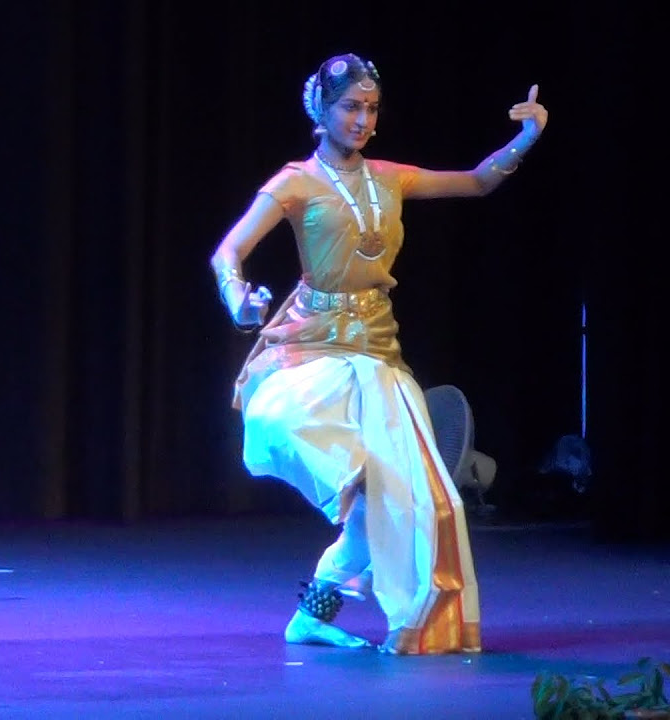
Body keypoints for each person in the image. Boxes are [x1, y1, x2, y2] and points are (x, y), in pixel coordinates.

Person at [209, 53, 548, 654]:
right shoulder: (295, 182)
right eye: (350, 107)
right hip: (312, 346)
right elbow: (227, 253)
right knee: (291, 430)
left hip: (378, 350)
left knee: (414, 504)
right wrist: (239, 299)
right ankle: (328, 576)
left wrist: (526, 136)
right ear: (321, 109)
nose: (363, 120)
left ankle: (314, 615)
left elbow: (476, 181)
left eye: (370, 109)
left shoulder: (390, 176)